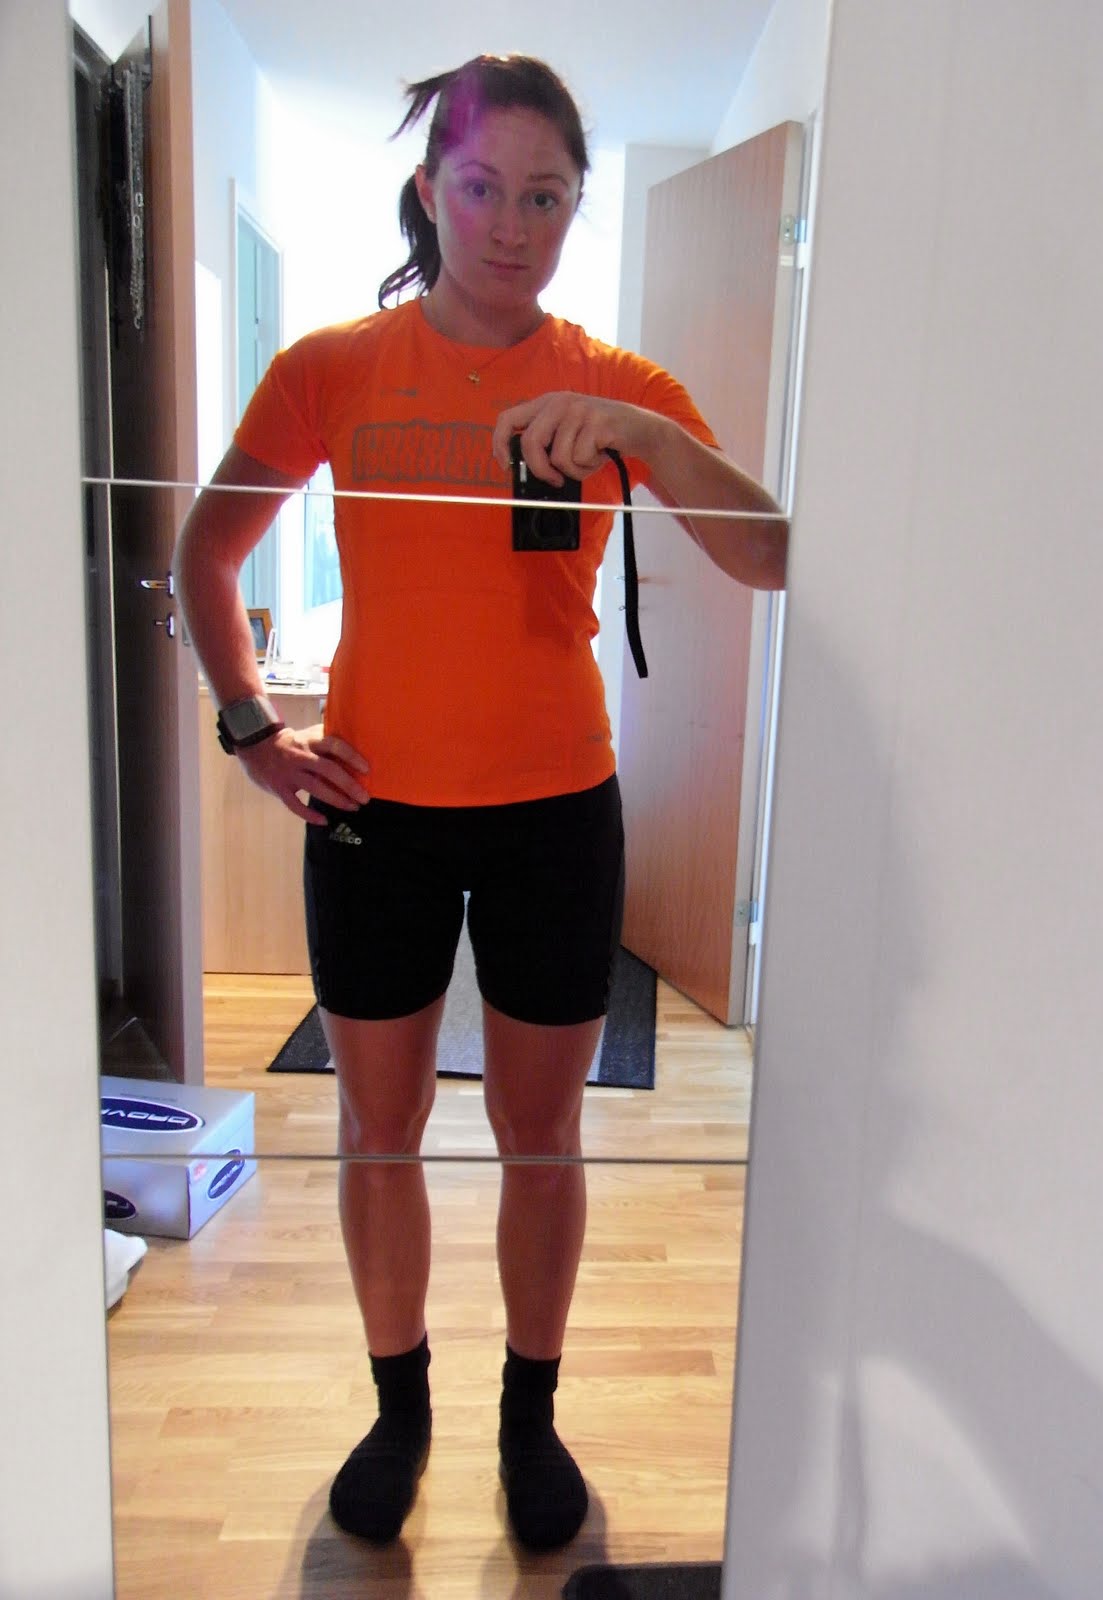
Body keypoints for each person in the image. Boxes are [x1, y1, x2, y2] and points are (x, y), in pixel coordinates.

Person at [175, 53, 787, 1553]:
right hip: (370, 810)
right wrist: (251, 728)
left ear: (577, 206)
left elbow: (772, 553)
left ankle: (530, 1414)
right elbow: (206, 550)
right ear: (430, 191)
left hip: (555, 813)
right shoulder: (331, 367)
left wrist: (648, 439)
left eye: (547, 197)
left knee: (542, 1131)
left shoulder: (624, 387)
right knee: (377, 1129)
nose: (512, 224)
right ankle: (400, 1410)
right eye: (480, 187)